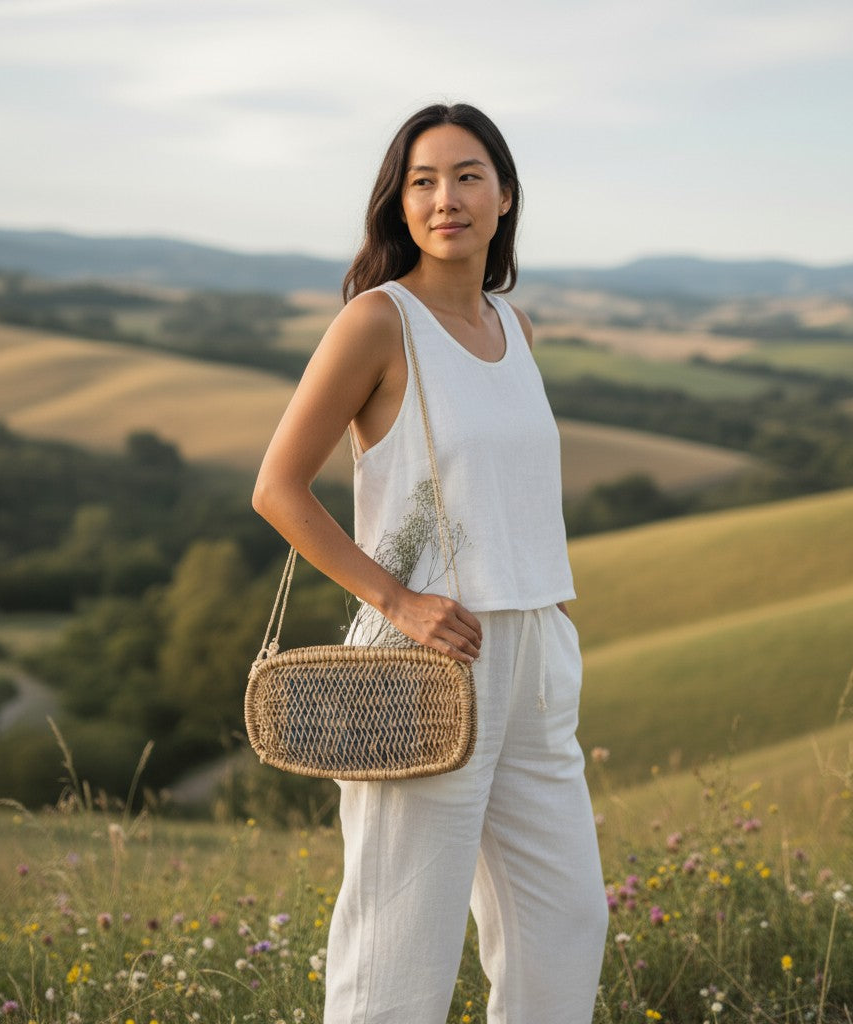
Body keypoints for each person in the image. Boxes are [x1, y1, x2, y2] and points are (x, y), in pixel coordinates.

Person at [252, 102, 608, 1024]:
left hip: (533, 658)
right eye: (422, 180)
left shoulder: (513, 329)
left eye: (466, 176)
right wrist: (397, 601)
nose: (444, 197)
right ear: (399, 204)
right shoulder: (380, 322)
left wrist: (550, 626)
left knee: (564, 925)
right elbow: (278, 488)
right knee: (398, 949)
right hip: (424, 659)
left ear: (504, 197)